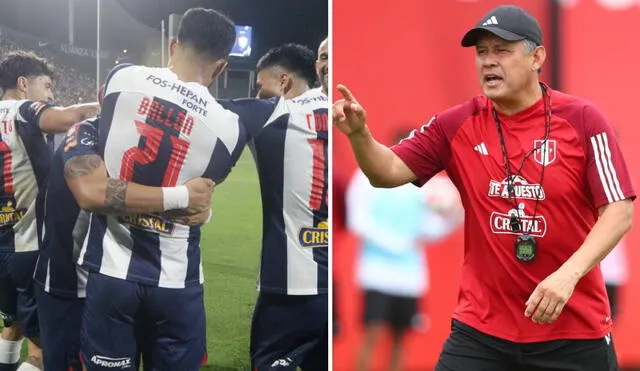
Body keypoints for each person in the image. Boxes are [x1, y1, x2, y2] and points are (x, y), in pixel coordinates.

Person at [333, 5, 634, 370]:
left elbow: (619, 211)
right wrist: (360, 135)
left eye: (502, 50)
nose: (488, 62)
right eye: (481, 52)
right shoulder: (457, 123)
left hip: (573, 332)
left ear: (537, 56)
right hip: (481, 331)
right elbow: (388, 172)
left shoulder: (582, 120)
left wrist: (567, 276)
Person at [72, 8, 291, 370]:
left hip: (110, 272)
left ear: (172, 45)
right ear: (222, 66)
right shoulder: (229, 126)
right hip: (176, 280)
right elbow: (200, 200)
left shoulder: (121, 77)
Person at [32, 115, 214, 371]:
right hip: (72, 281)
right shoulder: (87, 132)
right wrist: (184, 197)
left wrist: (200, 211)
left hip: (133, 278)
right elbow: (93, 193)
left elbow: (193, 200)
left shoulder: (156, 140)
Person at [0, 51, 99, 371]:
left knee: (12, 323)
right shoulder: (22, 109)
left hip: (2, 245)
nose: (51, 95)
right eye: (46, 86)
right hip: (29, 245)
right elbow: (69, 118)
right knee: (45, 345)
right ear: (22, 84)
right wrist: (114, 105)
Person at [249, 43, 328, 370]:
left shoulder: (272, 114)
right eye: (324, 55)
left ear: (283, 83)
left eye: (261, 86)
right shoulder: (367, 114)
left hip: (291, 287)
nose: (257, 95)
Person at [347, 165, 462, 371]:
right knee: (372, 334)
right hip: (376, 274)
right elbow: (357, 220)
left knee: (400, 339)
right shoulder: (367, 176)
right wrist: (393, 242)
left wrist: (456, 214)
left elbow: (430, 229)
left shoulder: (426, 185)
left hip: (409, 278)